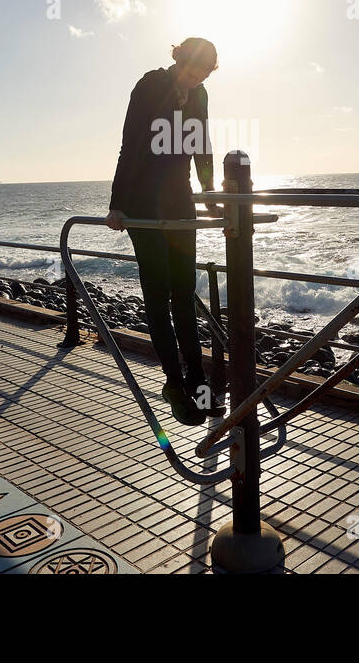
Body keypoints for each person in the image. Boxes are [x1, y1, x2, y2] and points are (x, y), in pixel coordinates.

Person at [106, 38, 223, 426]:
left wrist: (208, 195)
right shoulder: (150, 85)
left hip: (179, 202)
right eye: (191, 72)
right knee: (158, 295)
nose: (194, 80)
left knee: (184, 294)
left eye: (203, 75)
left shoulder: (200, 96)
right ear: (178, 60)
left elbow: (201, 146)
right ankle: (173, 384)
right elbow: (130, 143)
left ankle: (199, 385)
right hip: (142, 204)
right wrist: (117, 203)